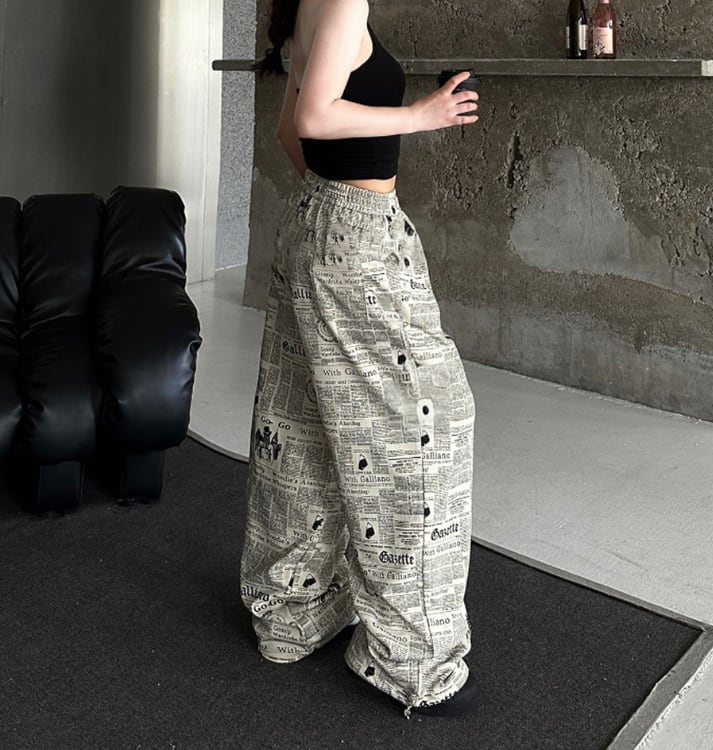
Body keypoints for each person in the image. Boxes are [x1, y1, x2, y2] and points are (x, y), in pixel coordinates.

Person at [240, 0, 480, 717]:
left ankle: (292, 617)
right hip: (357, 239)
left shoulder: (306, 7)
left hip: (314, 221)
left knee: (303, 426)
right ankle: (414, 662)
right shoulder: (343, 2)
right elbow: (316, 119)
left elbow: (289, 130)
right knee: (424, 432)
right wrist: (422, 115)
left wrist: (328, 202)